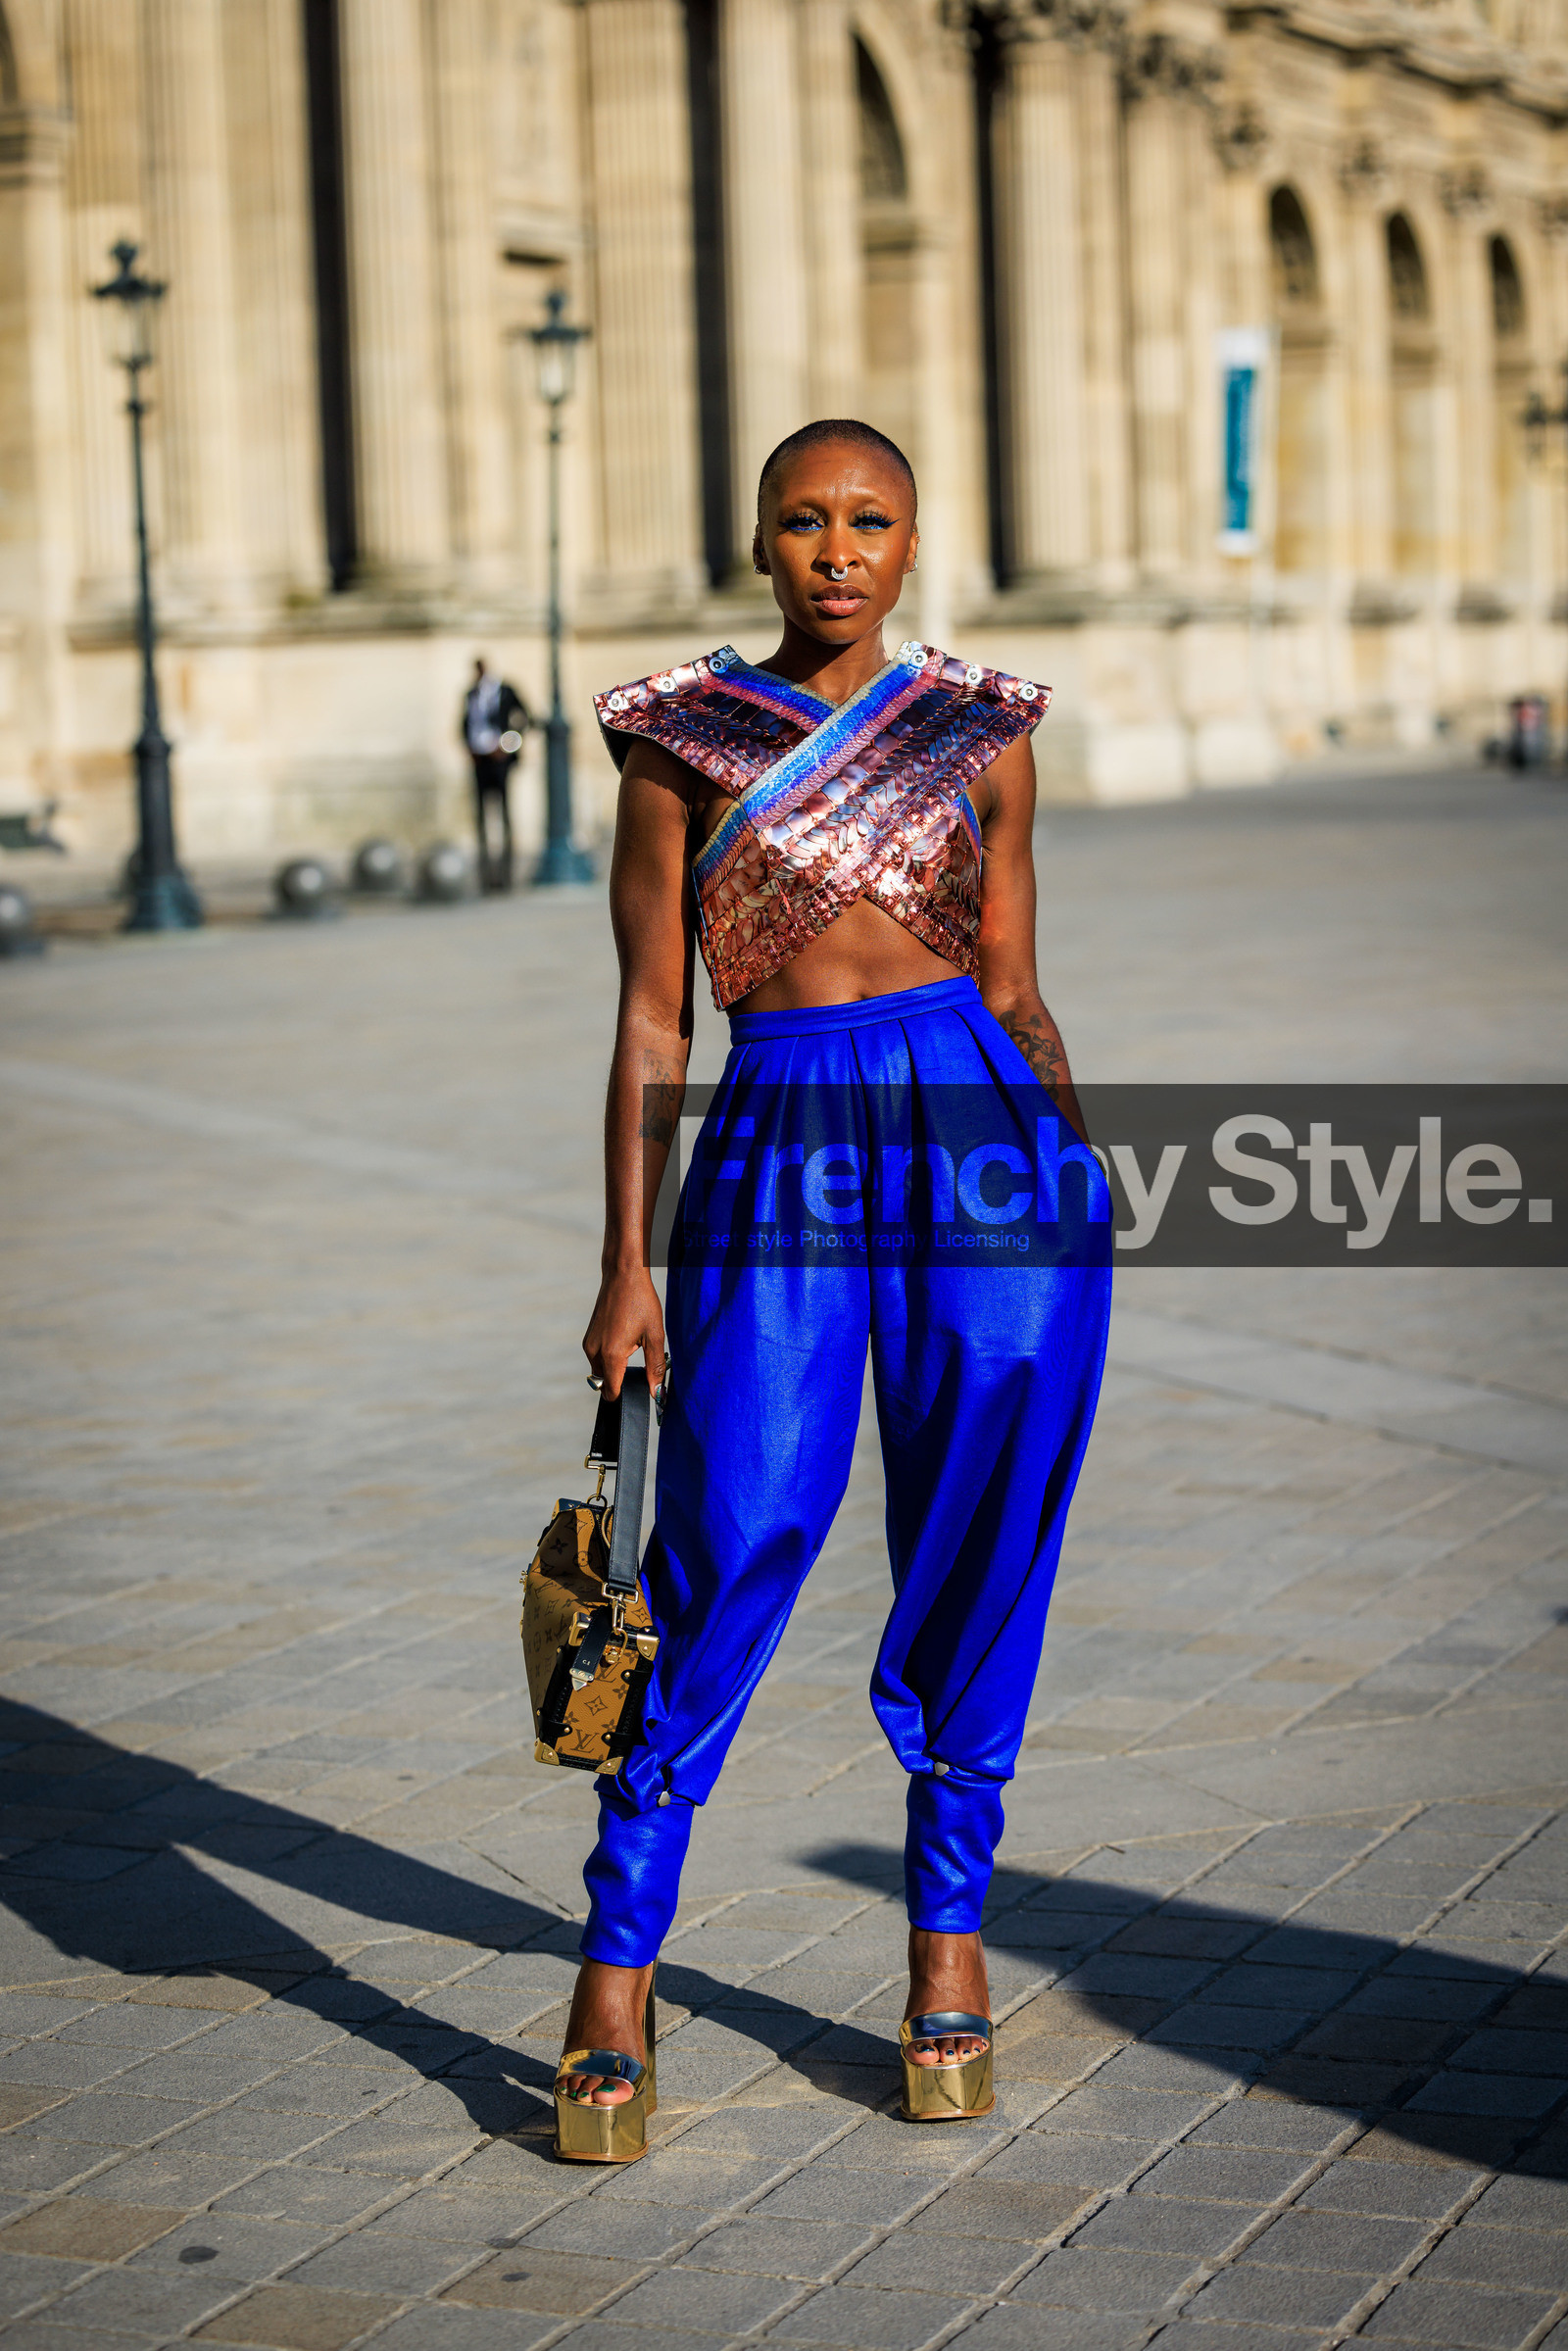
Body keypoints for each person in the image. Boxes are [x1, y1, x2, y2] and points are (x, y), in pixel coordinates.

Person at [554, 418, 1111, 2163]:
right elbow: (656, 1016)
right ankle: (616, 1960)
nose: (839, 549)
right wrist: (625, 1261)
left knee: (984, 1522)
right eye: (806, 519)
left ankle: (948, 1937)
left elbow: (1015, 983)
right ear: (760, 539)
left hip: (984, 1148)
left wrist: (1084, 1167)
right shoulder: (681, 740)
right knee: (734, 1518)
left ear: (917, 535)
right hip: (779, 1133)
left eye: (871, 518)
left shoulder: (986, 732)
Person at [462, 657, 530, 892]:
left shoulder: (505, 690)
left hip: (499, 760)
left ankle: (507, 875)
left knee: (504, 816)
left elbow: (524, 718)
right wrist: (469, 749)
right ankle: (486, 876)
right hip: (480, 761)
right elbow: (465, 724)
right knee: (482, 818)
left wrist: (507, 745)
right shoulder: (471, 694)